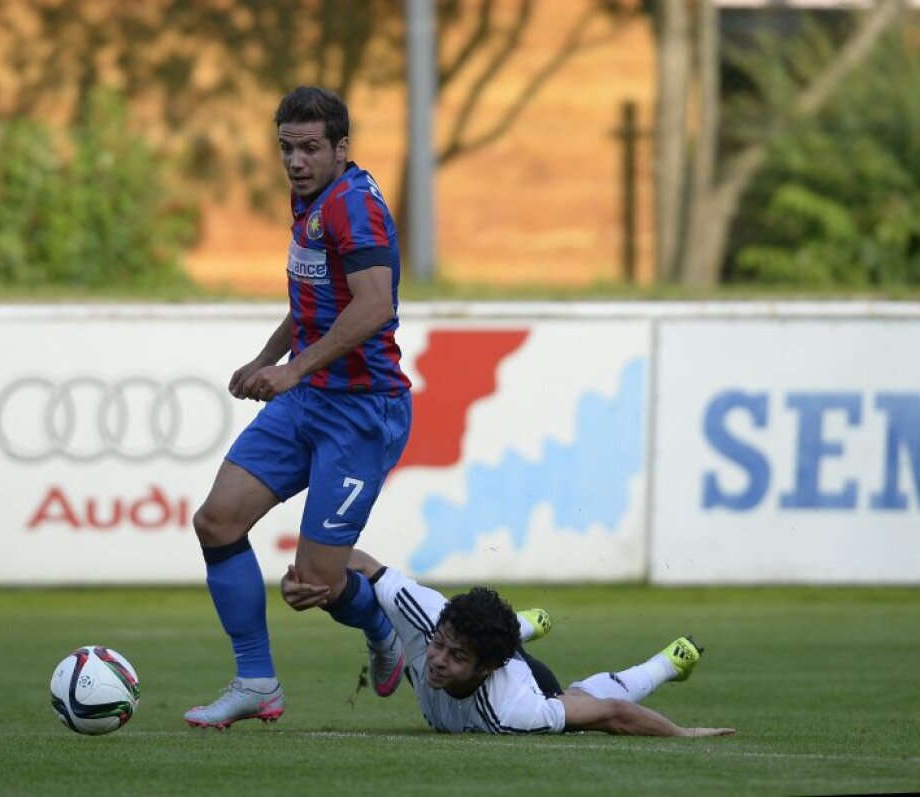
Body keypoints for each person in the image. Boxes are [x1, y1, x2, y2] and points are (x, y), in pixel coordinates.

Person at [183, 87, 412, 729]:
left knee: (315, 586)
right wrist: (266, 360)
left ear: (342, 148)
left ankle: (382, 629)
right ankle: (256, 682)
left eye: (310, 148)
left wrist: (293, 370)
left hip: (363, 410)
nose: (296, 161)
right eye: (287, 148)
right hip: (309, 398)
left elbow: (373, 307)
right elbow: (316, 301)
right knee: (217, 522)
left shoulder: (355, 207)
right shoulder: (309, 198)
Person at [281, 551, 736, 737]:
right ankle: (522, 624)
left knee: (579, 697)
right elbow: (358, 560)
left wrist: (680, 734)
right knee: (455, 634)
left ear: (485, 668)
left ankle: (668, 661)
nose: (437, 661)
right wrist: (305, 577)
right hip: (487, 644)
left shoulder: (514, 708)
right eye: (439, 646)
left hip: (530, 677)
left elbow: (613, 714)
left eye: (456, 657)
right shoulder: (425, 614)